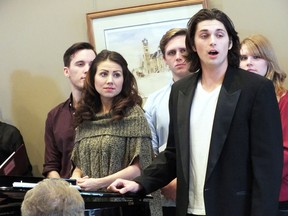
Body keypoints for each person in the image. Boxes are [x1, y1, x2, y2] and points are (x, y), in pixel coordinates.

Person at [108, 8, 283, 216]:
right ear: (192, 44)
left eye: (219, 35)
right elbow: (173, 153)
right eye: (204, 35)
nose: (213, 41)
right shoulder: (181, 90)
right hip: (189, 208)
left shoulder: (256, 88)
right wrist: (140, 183)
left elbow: (268, 164)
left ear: (229, 43)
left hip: (236, 209)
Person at [70, 49, 161, 216]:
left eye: (117, 75)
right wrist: (76, 178)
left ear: (124, 79)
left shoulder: (134, 114)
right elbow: (79, 164)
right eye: (103, 74)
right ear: (93, 78)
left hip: (125, 204)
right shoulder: (85, 116)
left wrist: (99, 183)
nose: (110, 80)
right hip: (89, 204)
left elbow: (140, 167)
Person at [239, 34, 288, 216]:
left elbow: (285, 154)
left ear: (269, 62)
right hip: (245, 196)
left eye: (256, 57)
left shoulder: (284, 101)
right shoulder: (237, 101)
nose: (248, 63)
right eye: (243, 58)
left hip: (278, 197)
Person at [144, 28, 190, 216]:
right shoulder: (154, 101)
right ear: (164, 59)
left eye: (183, 50)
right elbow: (149, 149)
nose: (178, 57)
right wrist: (166, 182)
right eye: (172, 52)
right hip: (168, 196)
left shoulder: (215, 95)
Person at [42, 42, 96, 178]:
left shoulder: (108, 110)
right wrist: (62, 191)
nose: (87, 69)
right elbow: (51, 165)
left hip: (101, 190)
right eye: (80, 64)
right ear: (67, 71)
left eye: (92, 64)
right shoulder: (55, 116)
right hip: (66, 193)